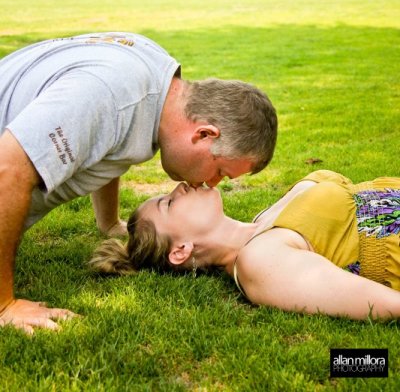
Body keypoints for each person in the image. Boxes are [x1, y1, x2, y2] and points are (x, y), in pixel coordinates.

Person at [0, 32, 277, 333]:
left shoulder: (155, 87)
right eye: (220, 171)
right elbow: (7, 168)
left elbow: (107, 139)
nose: (212, 183)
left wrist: (108, 223)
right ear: (204, 134)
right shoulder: (107, 94)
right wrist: (5, 304)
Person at [91, 170, 400, 321]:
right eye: (169, 204)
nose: (180, 186)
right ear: (180, 250)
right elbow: (386, 304)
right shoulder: (260, 263)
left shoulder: (263, 221)